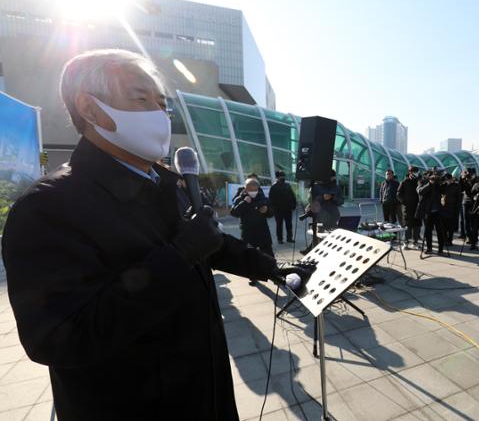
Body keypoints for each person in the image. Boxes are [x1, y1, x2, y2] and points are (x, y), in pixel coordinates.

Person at [1, 49, 286, 421]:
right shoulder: (47, 209)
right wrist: (179, 254)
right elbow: (58, 338)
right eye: (141, 99)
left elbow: (209, 240)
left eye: (162, 103)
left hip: (206, 395)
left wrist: (270, 267)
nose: (159, 113)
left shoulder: (166, 183)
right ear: (89, 108)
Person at [299, 170, 344, 254]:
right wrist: (323, 198)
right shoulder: (316, 186)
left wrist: (333, 197)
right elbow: (310, 200)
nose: (333, 179)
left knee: (330, 234)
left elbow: (341, 201)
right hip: (319, 215)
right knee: (318, 233)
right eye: (331, 177)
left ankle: (326, 251)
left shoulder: (336, 187)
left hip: (333, 215)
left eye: (333, 177)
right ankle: (313, 250)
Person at [231, 178, 274, 257]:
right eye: (250, 190)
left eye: (255, 190)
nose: (253, 192)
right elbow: (234, 213)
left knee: (269, 256)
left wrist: (267, 210)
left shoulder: (263, 199)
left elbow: (271, 213)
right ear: (245, 189)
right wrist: (244, 203)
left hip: (263, 232)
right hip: (248, 233)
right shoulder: (239, 199)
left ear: (258, 189)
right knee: (248, 257)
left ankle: (270, 269)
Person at [416, 171, 445, 254]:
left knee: (440, 231)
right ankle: (429, 248)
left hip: (438, 211)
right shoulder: (422, 182)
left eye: (434, 177)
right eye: (431, 177)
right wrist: (429, 183)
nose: (433, 178)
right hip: (428, 212)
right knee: (428, 231)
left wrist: (442, 181)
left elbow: (444, 191)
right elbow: (420, 191)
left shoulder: (438, 184)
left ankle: (441, 248)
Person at [269, 170, 296, 244]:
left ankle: (289, 238)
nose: (283, 177)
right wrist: (273, 208)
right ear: (277, 177)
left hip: (288, 209)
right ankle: (280, 239)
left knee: (289, 224)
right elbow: (271, 199)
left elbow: (292, 195)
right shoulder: (273, 187)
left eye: (283, 176)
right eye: (281, 176)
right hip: (278, 210)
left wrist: (294, 204)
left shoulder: (287, 185)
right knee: (279, 225)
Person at [397, 166, 421, 249]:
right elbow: (398, 194)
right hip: (408, 207)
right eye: (414, 172)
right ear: (410, 172)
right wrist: (404, 202)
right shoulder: (404, 182)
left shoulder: (419, 181)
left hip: (418, 207)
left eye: (417, 172)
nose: (416, 173)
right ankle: (406, 242)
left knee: (417, 225)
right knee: (408, 225)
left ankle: (415, 242)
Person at [441, 173, 461, 246]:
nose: (448, 181)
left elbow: (459, 198)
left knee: (451, 226)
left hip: (453, 208)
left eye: (449, 179)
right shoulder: (443, 186)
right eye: (446, 180)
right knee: (443, 226)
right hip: (443, 208)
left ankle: (450, 240)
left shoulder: (456, 186)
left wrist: (457, 208)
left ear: (451, 179)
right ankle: (445, 239)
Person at [459, 169, 477, 241]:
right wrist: (461, 178)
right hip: (466, 202)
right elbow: (460, 189)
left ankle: (474, 237)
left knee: (474, 221)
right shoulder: (464, 181)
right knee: (465, 220)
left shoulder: (476, 181)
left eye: (470, 174)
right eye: (467, 174)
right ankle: (468, 236)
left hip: (475, 203)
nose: (468, 176)